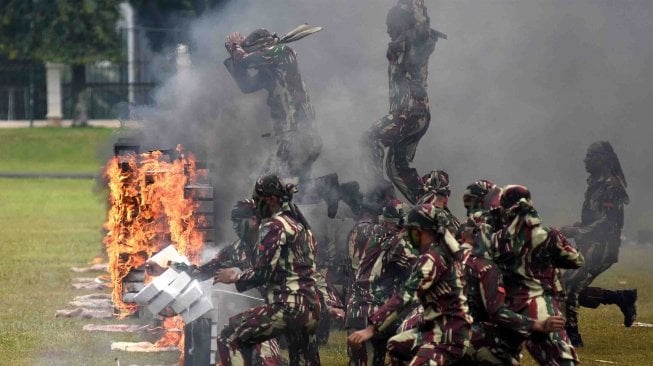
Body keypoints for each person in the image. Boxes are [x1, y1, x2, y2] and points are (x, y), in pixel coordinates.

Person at [214, 175, 321, 365]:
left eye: (257, 200)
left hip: (287, 307)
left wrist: (236, 277)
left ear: (270, 200)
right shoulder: (301, 227)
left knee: (229, 336)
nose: (255, 205)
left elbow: (263, 272)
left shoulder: (275, 225)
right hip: (310, 309)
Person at [457, 180, 566, 365]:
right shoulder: (493, 223)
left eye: (473, 203)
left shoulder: (502, 221)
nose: (471, 210)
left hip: (525, 291)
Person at [349, 204, 471, 365]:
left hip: (449, 332)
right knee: (395, 345)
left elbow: (406, 294)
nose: (408, 236)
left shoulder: (433, 258)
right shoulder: (441, 252)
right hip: (436, 328)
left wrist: (372, 327)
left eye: (411, 231)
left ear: (422, 231)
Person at [490, 185, 584, 366]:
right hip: (542, 308)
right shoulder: (548, 235)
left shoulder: (495, 240)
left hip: (510, 313)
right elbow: (576, 260)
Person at [365, 0, 444, 204]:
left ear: (402, 22)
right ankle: (430, 208)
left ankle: (379, 197)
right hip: (414, 114)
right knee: (396, 168)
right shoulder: (404, 42)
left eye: (390, 24)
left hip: (410, 112)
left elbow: (421, 25)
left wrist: (413, 9)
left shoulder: (416, 39)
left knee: (369, 140)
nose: (387, 30)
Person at [561, 141, 635, 347]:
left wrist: (576, 231)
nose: (586, 160)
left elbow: (608, 222)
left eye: (591, 156)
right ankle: (621, 298)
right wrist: (580, 226)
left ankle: (572, 338)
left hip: (602, 247)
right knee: (566, 285)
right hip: (590, 244)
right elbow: (597, 217)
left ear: (603, 159)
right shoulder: (595, 181)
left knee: (569, 286)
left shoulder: (611, 186)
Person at [193, 199, 284, 365]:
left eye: (239, 220)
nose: (234, 226)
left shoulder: (274, 241)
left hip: (293, 305)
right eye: (232, 221)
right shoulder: (236, 250)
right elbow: (205, 271)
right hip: (272, 309)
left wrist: (331, 303)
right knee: (236, 337)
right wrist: (168, 268)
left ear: (255, 220)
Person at [346, 199, 410, 366]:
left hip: (356, 308)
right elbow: (419, 272)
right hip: (379, 310)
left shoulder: (371, 233)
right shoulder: (399, 242)